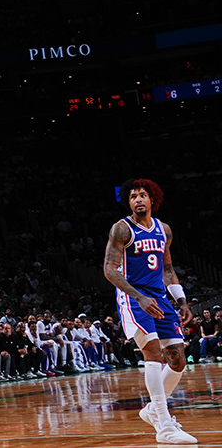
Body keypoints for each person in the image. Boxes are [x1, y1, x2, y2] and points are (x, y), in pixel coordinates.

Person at [103, 179, 195, 444]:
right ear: (129, 202)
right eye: (133, 197)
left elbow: (167, 269)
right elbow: (110, 270)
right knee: (153, 352)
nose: (138, 200)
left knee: (178, 359)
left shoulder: (163, 230)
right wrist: (139, 297)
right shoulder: (122, 229)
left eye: (142, 195)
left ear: (152, 199)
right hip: (133, 297)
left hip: (160, 298)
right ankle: (165, 426)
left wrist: (182, 302)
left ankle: (153, 410)